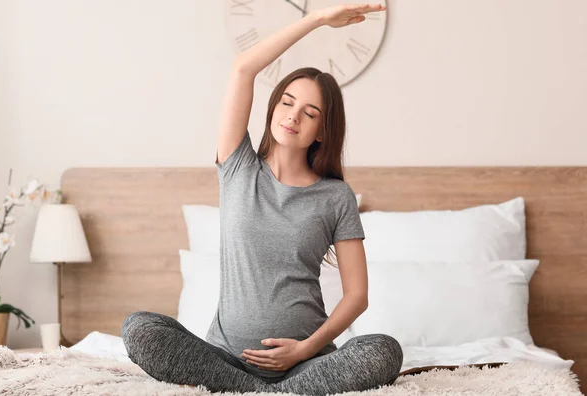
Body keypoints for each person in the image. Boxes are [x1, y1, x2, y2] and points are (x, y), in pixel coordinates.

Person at [121, 3, 403, 395]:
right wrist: (317, 20)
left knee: (383, 350)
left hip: (308, 364)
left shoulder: (335, 196)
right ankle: (257, 391)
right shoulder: (238, 166)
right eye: (287, 102)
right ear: (273, 108)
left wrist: (304, 350)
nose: (293, 116)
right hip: (223, 360)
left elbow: (357, 297)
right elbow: (243, 68)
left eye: (310, 113)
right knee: (139, 327)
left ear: (322, 131)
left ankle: (260, 391)